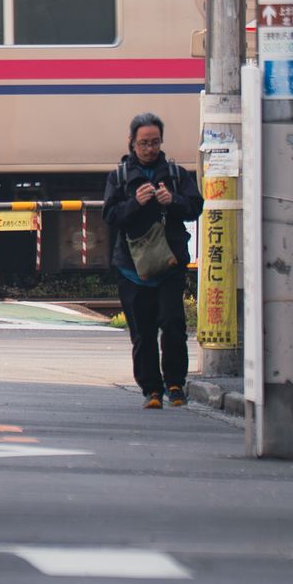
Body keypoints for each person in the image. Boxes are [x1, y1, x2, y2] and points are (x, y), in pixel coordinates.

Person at [102, 112, 204, 410]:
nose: (150, 148)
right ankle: (151, 389)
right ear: (132, 143)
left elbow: (195, 207)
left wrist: (173, 201)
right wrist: (136, 202)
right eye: (144, 143)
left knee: (173, 325)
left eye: (155, 142)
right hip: (131, 267)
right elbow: (110, 216)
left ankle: (175, 384)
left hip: (169, 263)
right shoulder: (119, 177)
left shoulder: (175, 174)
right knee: (143, 332)